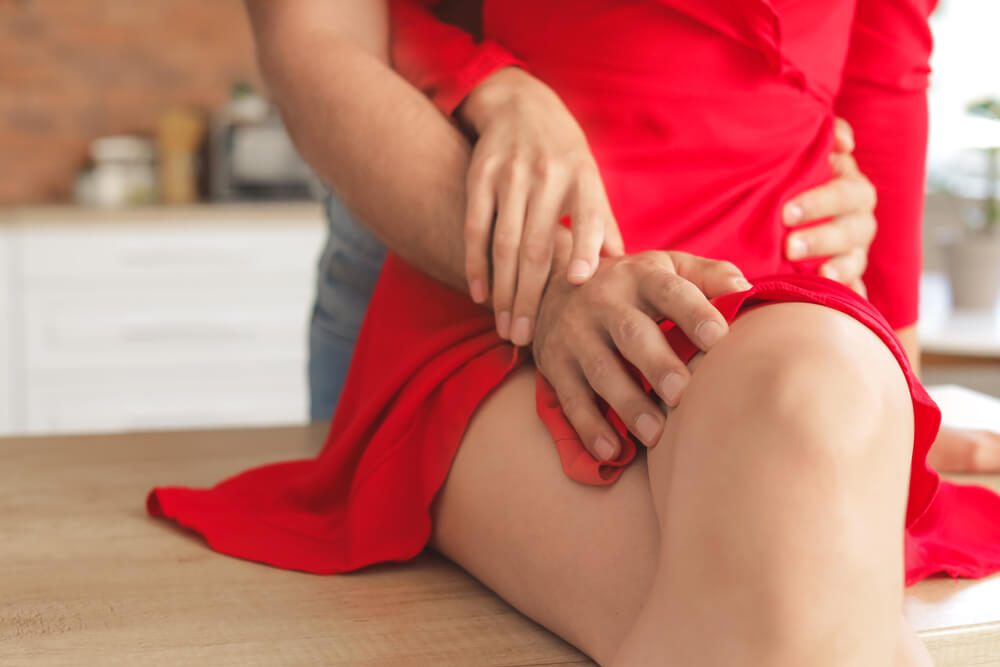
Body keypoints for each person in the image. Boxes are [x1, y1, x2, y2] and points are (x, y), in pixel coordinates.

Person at [149, 2, 1000, 665]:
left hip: (789, 299)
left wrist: (901, 408)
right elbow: (325, 35)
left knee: (812, 417)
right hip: (498, 297)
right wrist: (479, 76)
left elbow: (886, 74)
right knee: (803, 567)